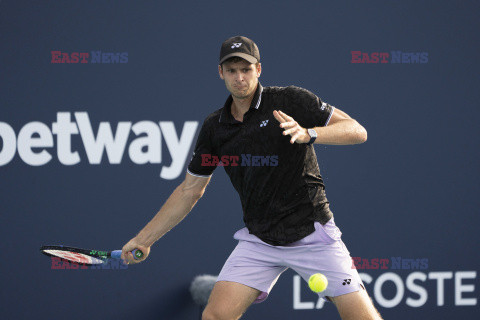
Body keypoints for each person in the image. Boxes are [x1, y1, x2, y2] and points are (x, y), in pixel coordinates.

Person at [121, 36, 382, 320]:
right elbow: (190, 191)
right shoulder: (214, 128)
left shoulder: (290, 100)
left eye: (246, 69)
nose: (239, 78)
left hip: (313, 235)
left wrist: (310, 134)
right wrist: (144, 239)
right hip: (260, 241)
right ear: (221, 73)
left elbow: (356, 130)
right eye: (231, 70)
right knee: (214, 316)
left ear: (258, 69)